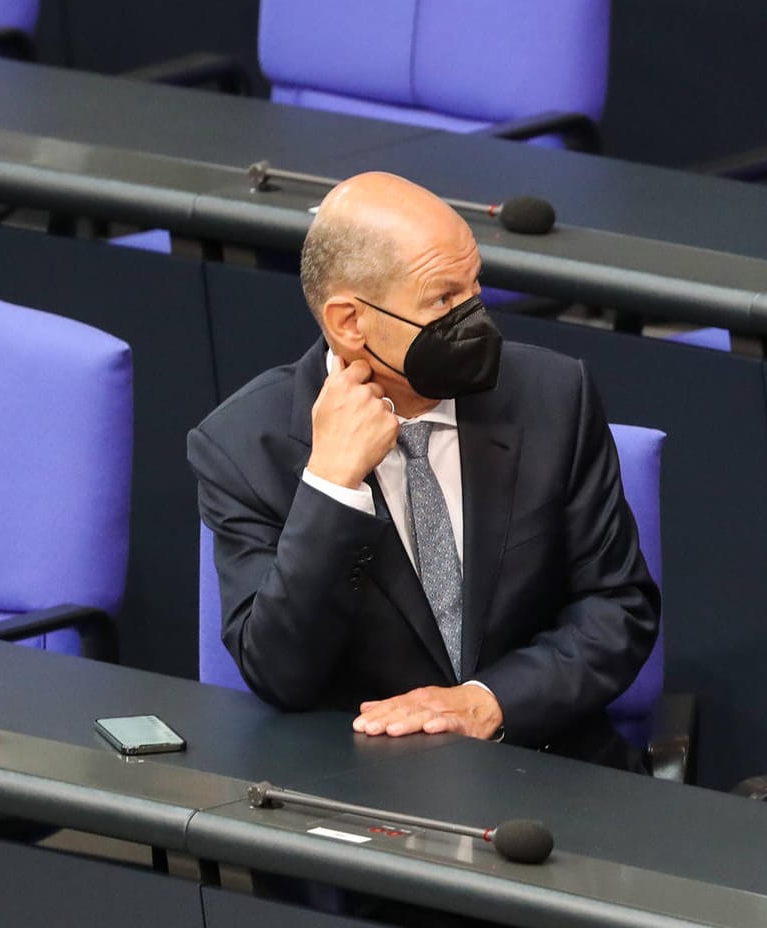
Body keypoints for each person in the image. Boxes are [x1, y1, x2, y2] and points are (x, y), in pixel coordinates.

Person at [190, 171, 658, 772]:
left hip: (547, 766)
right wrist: (331, 486)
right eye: (443, 300)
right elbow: (281, 674)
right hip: (363, 787)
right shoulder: (243, 446)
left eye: (474, 288)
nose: (476, 318)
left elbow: (619, 607)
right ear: (349, 323)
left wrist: (487, 703)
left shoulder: (554, 396)